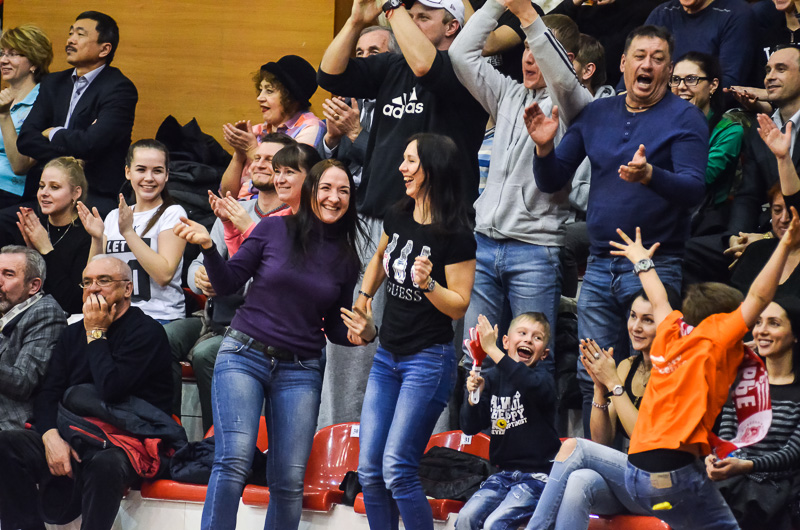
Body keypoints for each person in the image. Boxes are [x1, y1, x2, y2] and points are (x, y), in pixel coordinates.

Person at [528, 25, 708, 433]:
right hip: (598, 265)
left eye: (658, 59)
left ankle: (643, 461)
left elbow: (694, 189)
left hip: (653, 265)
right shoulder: (597, 113)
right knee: (592, 373)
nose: (648, 65)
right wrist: (543, 148)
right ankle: (598, 462)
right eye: (640, 56)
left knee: (650, 373)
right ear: (624, 63)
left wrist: (651, 175)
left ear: (669, 69)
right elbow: (551, 180)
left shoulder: (685, 118)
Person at [174, 158, 361, 530]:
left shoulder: (346, 257)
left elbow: (336, 328)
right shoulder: (274, 229)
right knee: (234, 460)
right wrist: (208, 247)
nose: (334, 197)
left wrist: (364, 333)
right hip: (244, 354)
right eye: (326, 188)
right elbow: (228, 283)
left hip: (302, 368)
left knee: (289, 480)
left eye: (343, 191)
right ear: (311, 191)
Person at [609, 215, 800, 529]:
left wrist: (641, 260)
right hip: (674, 474)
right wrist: (784, 246)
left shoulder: (671, 331)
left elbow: (658, 298)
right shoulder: (718, 336)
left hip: (636, 475)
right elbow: (759, 296)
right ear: (724, 319)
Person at [343, 133, 477, 530]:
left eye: (410, 161)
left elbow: (460, 304)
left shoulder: (456, 234)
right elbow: (379, 257)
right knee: (370, 471)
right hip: (387, 356)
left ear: (432, 170)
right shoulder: (398, 213)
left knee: (397, 468)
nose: (401, 168)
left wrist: (429, 285)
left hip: (428, 361)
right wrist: (364, 296)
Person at [451, 0, 590, 372]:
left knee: (531, 364)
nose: (529, 57)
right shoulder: (508, 94)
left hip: (535, 252)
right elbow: (461, 55)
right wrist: (498, 4)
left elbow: (564, 80)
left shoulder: (573, 103)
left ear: (566, 60)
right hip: (484, 244)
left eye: (537, 48)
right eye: (526, 47)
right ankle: (476, 415)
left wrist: (528, 14)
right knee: (474, 359)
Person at [0, 255, 172, 530]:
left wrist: (96, 333)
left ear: (127, 289)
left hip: (124, 439)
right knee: (6, 443)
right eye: (87, 282)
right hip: (73, 434)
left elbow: (111, 390)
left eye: (103, 281)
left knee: (106, 464)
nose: (93, 288)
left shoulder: (147, 332)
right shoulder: (71, 334)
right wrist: (50, 437)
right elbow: (48, 393)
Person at [524, 288, 681, 530]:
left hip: (667, 488)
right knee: (580, 481)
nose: (635, 327)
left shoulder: (677, 373)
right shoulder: (628, 367)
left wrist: (614, 384)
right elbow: (601, 442)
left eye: (647, 320)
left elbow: (645, 439)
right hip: (635, 483)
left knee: (574, 447)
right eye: (633, 316)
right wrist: (600, 388)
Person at [173, 134, 297, 430]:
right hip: (213, 315)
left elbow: (277, 278)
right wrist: (200, 278)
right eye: (257, 158)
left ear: (286, 172)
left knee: (206, 354)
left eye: (271, 160)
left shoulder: (295, 219)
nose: (260, 164)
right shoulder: (234, 207)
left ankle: (215, 437)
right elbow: (200, 261)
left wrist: (226, 279)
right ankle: (170, 433)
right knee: (158, 338)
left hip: (255, 324)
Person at [683, 45, 800, 286]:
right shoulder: (760, 128)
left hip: (789, 234)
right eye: (767, 70)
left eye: (781, 69)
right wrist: (735, 237)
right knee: (686, 252)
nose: (769, 77)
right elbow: (748, 194)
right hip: (763, 229)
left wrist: (766, 236)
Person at [16, 11, 137, 216]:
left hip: (92, 195)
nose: (70, 40)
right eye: (70, 33)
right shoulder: (53, 83)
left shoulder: (119, 89)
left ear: (104, 49)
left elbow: (91, 143)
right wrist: (72, 156)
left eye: (80, 34)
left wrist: (52, 132)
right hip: (44, 193)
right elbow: (26, 139)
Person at [455, 312, 560, 530]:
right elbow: (469, 427)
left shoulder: (544, 379)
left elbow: (527, 382)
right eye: (522, 333)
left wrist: (492, 350)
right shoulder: (493, 378)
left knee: (495, 523)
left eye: (537, 337)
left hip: (537, 478)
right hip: (501, 476)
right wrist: (473, 399)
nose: (528, 340)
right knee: (466, 517)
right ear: (506, 342)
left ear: (544, 354)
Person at [709, 297, 800, 530]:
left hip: (782, 496)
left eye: (774, 323)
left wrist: (747, 465)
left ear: (795, 334)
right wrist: (718, 458)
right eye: (758, 322)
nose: (761, 331)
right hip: (737, 486)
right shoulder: (742, 380)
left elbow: (793, 453)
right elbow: (728, 438)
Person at [78, 139, 186, 324]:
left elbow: (164, 275)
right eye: (141, 169)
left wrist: (128, 232)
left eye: (157, 171)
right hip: (113, 314)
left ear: (167, 175)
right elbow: (92, 278)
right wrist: (96, 238)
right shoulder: (114, 216)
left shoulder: (173, 213)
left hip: (159, 316)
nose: (149, 178)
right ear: (128, 172)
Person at [219, 55, 325, 199]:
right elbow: (227, 194)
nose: (259, 98)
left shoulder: (310, 128)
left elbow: (289, 178)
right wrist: (239, 155)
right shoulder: (257, 131)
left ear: (290, 97)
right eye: (260, 90)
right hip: (240, 207)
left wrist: (251, 150)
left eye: (269, 91)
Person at [670, 52, 744, 236]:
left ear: (713, 85)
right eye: (676, 80)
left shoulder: (730, 131)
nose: (681, 87)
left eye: (691, 79)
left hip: (699, 224)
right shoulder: (660, 122)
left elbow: (700, 179)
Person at [319, 26, 399, 187]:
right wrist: (332, 139)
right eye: (359, 53)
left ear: (394, 59)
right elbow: (318, 169)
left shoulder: (404, 106)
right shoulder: (347, 104)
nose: (364, 59)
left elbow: (391, 165)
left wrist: (355, 133)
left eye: (373, 52)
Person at [731, 112, 800, 298]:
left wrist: (784, 159)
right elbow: (737, 307)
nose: (785, 219)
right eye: (777, 210)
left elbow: (795, 204)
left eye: (791, 213)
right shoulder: (756, 252)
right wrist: (782, 157)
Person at [0, 245, 66, 431]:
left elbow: (23, 383)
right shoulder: (5, 308)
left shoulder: (45, 312)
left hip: (13, 427)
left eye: (8, 274)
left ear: (34, 286)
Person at [15, 156, 91, 314]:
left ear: (76, 192)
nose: (44, 193)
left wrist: (46, 251)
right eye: (41, 186)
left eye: (54, 187)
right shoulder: (35, 225)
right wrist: (31, 255)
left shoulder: (87, 234)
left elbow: (73, 302)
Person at [222, 142, 321, 256]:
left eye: (289, 172)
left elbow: (281, 261)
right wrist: (230, 228)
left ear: (312, 177)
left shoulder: (322, 218)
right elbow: (246, 263)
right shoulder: (275, 219)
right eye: (277, 172)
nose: (280, 180)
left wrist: (248, 228)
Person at [644, 0, 755, 88]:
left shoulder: (736, 13)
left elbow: (729, 84)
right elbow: (639, 66)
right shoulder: (662, 13)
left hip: (713, 106)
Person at [0, 24, 53, 208]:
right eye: (2, 53)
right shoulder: (3, 97)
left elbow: (19, 166)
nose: (3, 60)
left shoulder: (44, 103)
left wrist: (4, 115)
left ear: (34, 63)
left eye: (13, 54)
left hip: (9, 191)